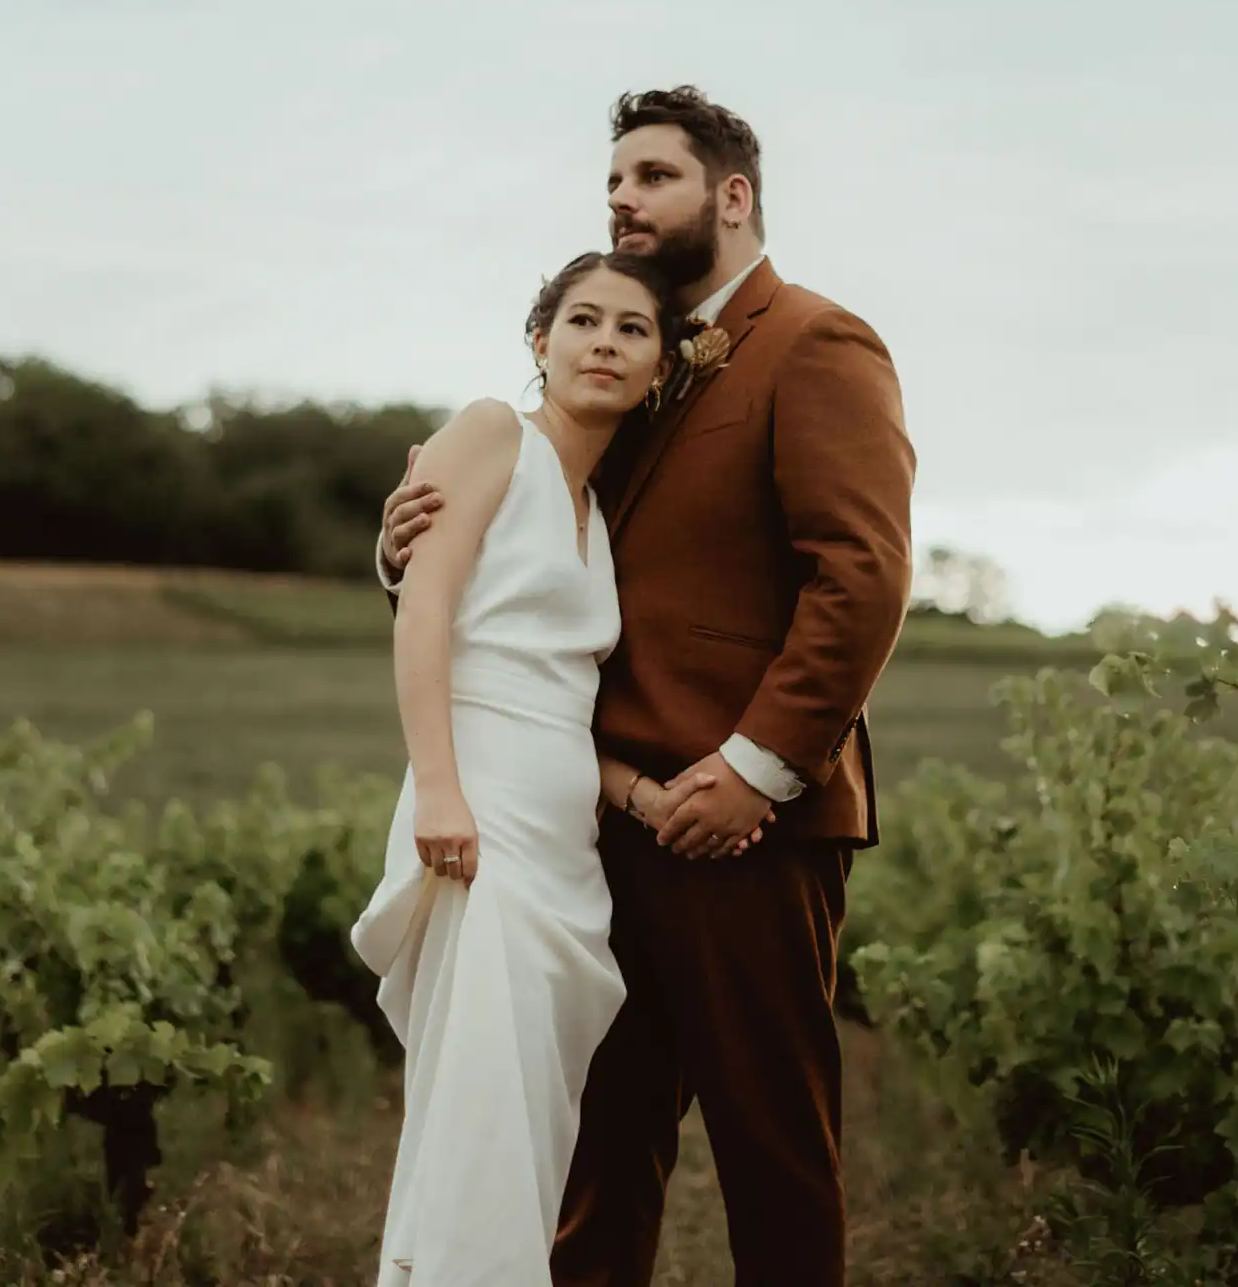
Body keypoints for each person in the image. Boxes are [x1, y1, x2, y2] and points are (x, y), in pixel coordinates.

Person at [376, 87, 916, 1287]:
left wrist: (757, 768)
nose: (622, 200)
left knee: (771, 1146)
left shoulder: (816, 341)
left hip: (748, 828)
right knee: (596, 1150)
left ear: (731, 195)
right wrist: (405, 543)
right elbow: (517, 545)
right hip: (589, 819)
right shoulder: (629, 357)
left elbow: (862, 574)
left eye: (652, 177)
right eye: (612, 182)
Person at [348, 248, 775, 1286]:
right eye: (582, 319)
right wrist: (439, 789)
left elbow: (563, 700)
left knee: (533, 1127)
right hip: (478, 823)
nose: (604, 342)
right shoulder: (494, 431)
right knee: (479, 1116)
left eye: (632, 329)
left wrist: (640, 790)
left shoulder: (601, 504)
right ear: (539, 341)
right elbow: (427, 617)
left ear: (659, 367)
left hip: (564, 849)